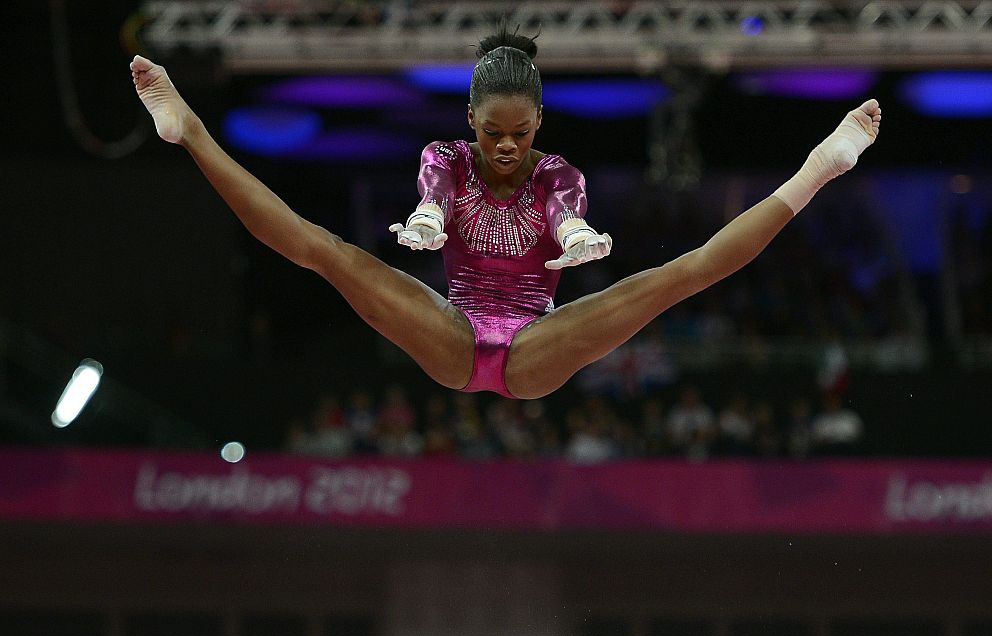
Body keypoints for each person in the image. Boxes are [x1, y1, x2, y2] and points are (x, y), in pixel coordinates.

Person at [129, 27, 880, 400]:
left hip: (535, 348)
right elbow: (430, 201)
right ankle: (189, 129)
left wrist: (581, 241)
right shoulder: (445, 159)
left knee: (677, 277)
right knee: (324, 250)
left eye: (521, 134)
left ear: (541, 124)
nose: (507, 148)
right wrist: (427, 224)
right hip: (454, 334)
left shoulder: (558, 175)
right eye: (492, 133)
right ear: (468, 120)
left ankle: (819, 168)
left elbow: (570, 218)